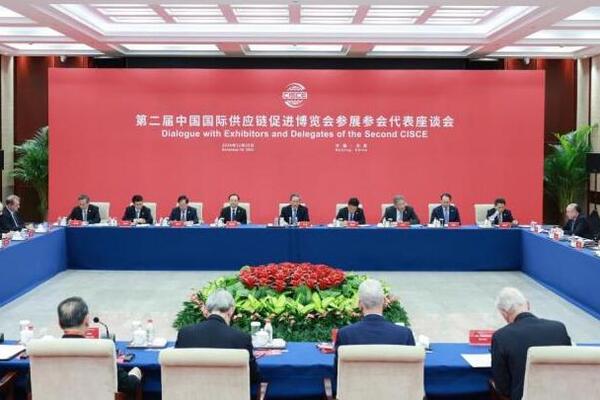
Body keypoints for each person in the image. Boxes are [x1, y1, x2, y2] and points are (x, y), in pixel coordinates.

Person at [491, 287, 571, 400]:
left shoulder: (501, 336)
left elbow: (503, 388)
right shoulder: (559, 328)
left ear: (504, 313)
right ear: (528, 304)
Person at [57, 297, 142, 394]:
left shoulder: (46, 351)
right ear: (86, 321)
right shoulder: (100, 350)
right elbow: (128, 385)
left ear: (59, 323)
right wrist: (136, 372)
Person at [175, 289, 260, 384]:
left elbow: (177, 370)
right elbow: (253, 377)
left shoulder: (185, 334)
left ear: (206, 310)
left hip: (191, 390)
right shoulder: (241, 338)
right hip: (229, 391)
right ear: (231, 310)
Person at [334, 279, 415, 374]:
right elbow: (412, 372)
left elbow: (339, 373)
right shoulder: (404, 334)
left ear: (359, 304)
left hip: (357, 383)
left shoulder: (345, 334)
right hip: (394, 383)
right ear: (384, 301)